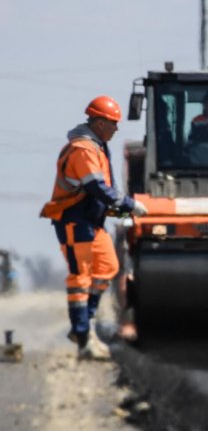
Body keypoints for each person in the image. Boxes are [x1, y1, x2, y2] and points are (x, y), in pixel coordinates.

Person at [40, 96, 148, 360]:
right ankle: (83, 336)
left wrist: (123, 211)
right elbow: (96, 188)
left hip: (91, 222)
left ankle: (83, 329)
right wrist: (130, 205)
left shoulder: (97, 146)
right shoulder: (83, 150)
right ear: (99, 123)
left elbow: (98, 195)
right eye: (113, 123)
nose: (116, 128)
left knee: (108, 267)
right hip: (74, 222)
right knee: (81, 278)